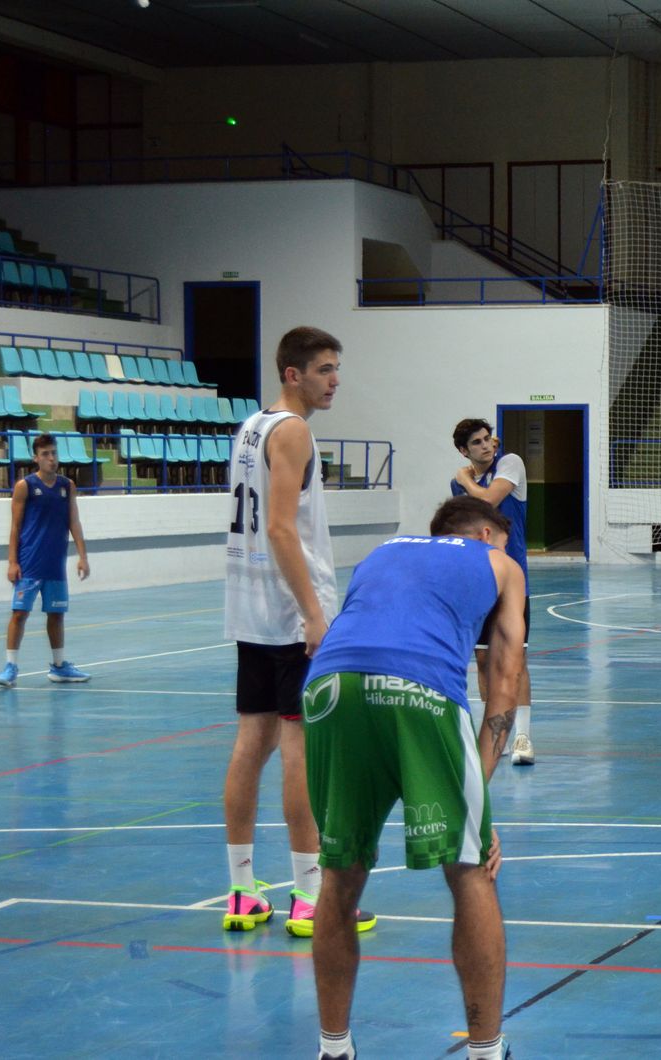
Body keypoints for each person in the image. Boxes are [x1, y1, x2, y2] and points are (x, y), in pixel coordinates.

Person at [303, 496, 525, 1060]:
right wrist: (477, 799)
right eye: (503, 537)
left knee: (340, 872)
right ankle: (486, 1051)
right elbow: (503, 680)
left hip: (330, 687)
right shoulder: (499, 563)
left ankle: (334, 1049)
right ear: (484, 531)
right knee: (471, 869)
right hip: (420, 687)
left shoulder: (382, 552)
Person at [221, 326, 373, 938]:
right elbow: (282, 529)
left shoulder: (250, 427)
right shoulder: (294, 430)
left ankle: (240, 890)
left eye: (337, 367)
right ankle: (310, 898)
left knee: (249, 743)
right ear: (293, 373)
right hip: (288, 615)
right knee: (300, 751)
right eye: (325, 369)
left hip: (250, 608)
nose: (335, 378)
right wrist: (313, 612)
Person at [452, 419, 535, 765]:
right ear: (463, 450)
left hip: (513, 583)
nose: (486, 446)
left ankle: (523, 739)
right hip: (479, 584)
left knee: (515, 661)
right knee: (484, 661)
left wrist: (465, 478)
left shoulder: (510, 463)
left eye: (488, 439)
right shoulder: (460, 488)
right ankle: (492, 735)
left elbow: (488, 500)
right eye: (477, 442)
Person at [0, 433, 91, 687]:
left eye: (54, 453)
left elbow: (74, 522)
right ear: (36, 458)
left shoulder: (66, 486)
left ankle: (59, 667)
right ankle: (10, 667)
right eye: (46, 454)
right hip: (29, 564)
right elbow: (15, 527)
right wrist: (12, 562)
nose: (51, 458)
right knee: (19, 613)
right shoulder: (24, 486)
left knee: (56, 615)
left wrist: (83, 556)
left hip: (55, 565)